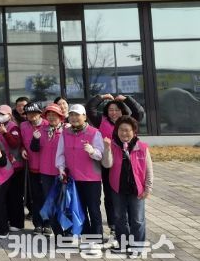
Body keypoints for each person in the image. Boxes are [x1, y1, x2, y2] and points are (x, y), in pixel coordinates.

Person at [86, 92, 145, 235]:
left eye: (117, 110)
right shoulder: (101, 120)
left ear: (122, 110)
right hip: (108, 162)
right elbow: (90, 108)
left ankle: (130, 222)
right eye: (111, 110)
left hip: (128, 163)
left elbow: (140, 112)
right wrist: (102, 97)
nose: (113, 113)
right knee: (110, 194)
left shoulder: (129, 121)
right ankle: (113, 225)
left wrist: (127, 99)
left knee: (130, 193)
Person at [101, 116, 153, 255]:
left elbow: (149, 170)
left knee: (137, 219)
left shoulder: (142, 147)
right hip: (118, 188)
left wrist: (148, 188)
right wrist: (107, 148)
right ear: (117, 131)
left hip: (137, 189)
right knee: (119, 218)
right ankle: (123, 244)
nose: (124, 133)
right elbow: (107, 164)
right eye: (121, 130)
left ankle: (137, 247)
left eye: (127, 130)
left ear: (134, 131)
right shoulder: (112, 145)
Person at [55, 104, 104, 249]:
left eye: (77, 115)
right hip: (74, 179)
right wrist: (61, 168)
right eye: (71, 115)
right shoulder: (65, 133)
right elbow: (60, 153)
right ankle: (86, 237)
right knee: (78, 209)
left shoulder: (94, 133)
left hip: (91, 179)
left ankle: (97, 239)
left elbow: (101, 155)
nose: (74, 118)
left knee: (93, 209)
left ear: (84, 116)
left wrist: (92, 151)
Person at [30, 103, 65, 235]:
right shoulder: (42, 130)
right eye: (49, 115)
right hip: (45, 172)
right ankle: (56, 231)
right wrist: (35, 139)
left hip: (61, 172)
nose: (51, 117)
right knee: (49, 201)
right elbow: (34, 149)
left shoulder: (66, 130)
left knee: (62, 202)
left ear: (60, 116)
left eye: (54, 115)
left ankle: (66, 230)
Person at [0, 104, 24, 232]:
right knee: (6, 196)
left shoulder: (13, 127)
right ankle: (7, 219)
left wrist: (5, 133)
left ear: (9, 115)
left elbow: (15, 144)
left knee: (15, 196)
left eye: (2, 114)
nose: (0, 116)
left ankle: (17, 222)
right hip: (3, 167)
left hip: (15, 167)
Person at [19, 102, 48, 234]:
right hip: (31, 167)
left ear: (40, 113)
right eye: (28, 114)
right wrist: (22, 149)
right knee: (35, 197)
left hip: (47, 168)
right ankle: (37, 223)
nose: (32, 116)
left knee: (47, 197)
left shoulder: (47, 125)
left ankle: (48, 223)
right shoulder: (23, 125)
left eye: (34, 113)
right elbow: (21, 142)